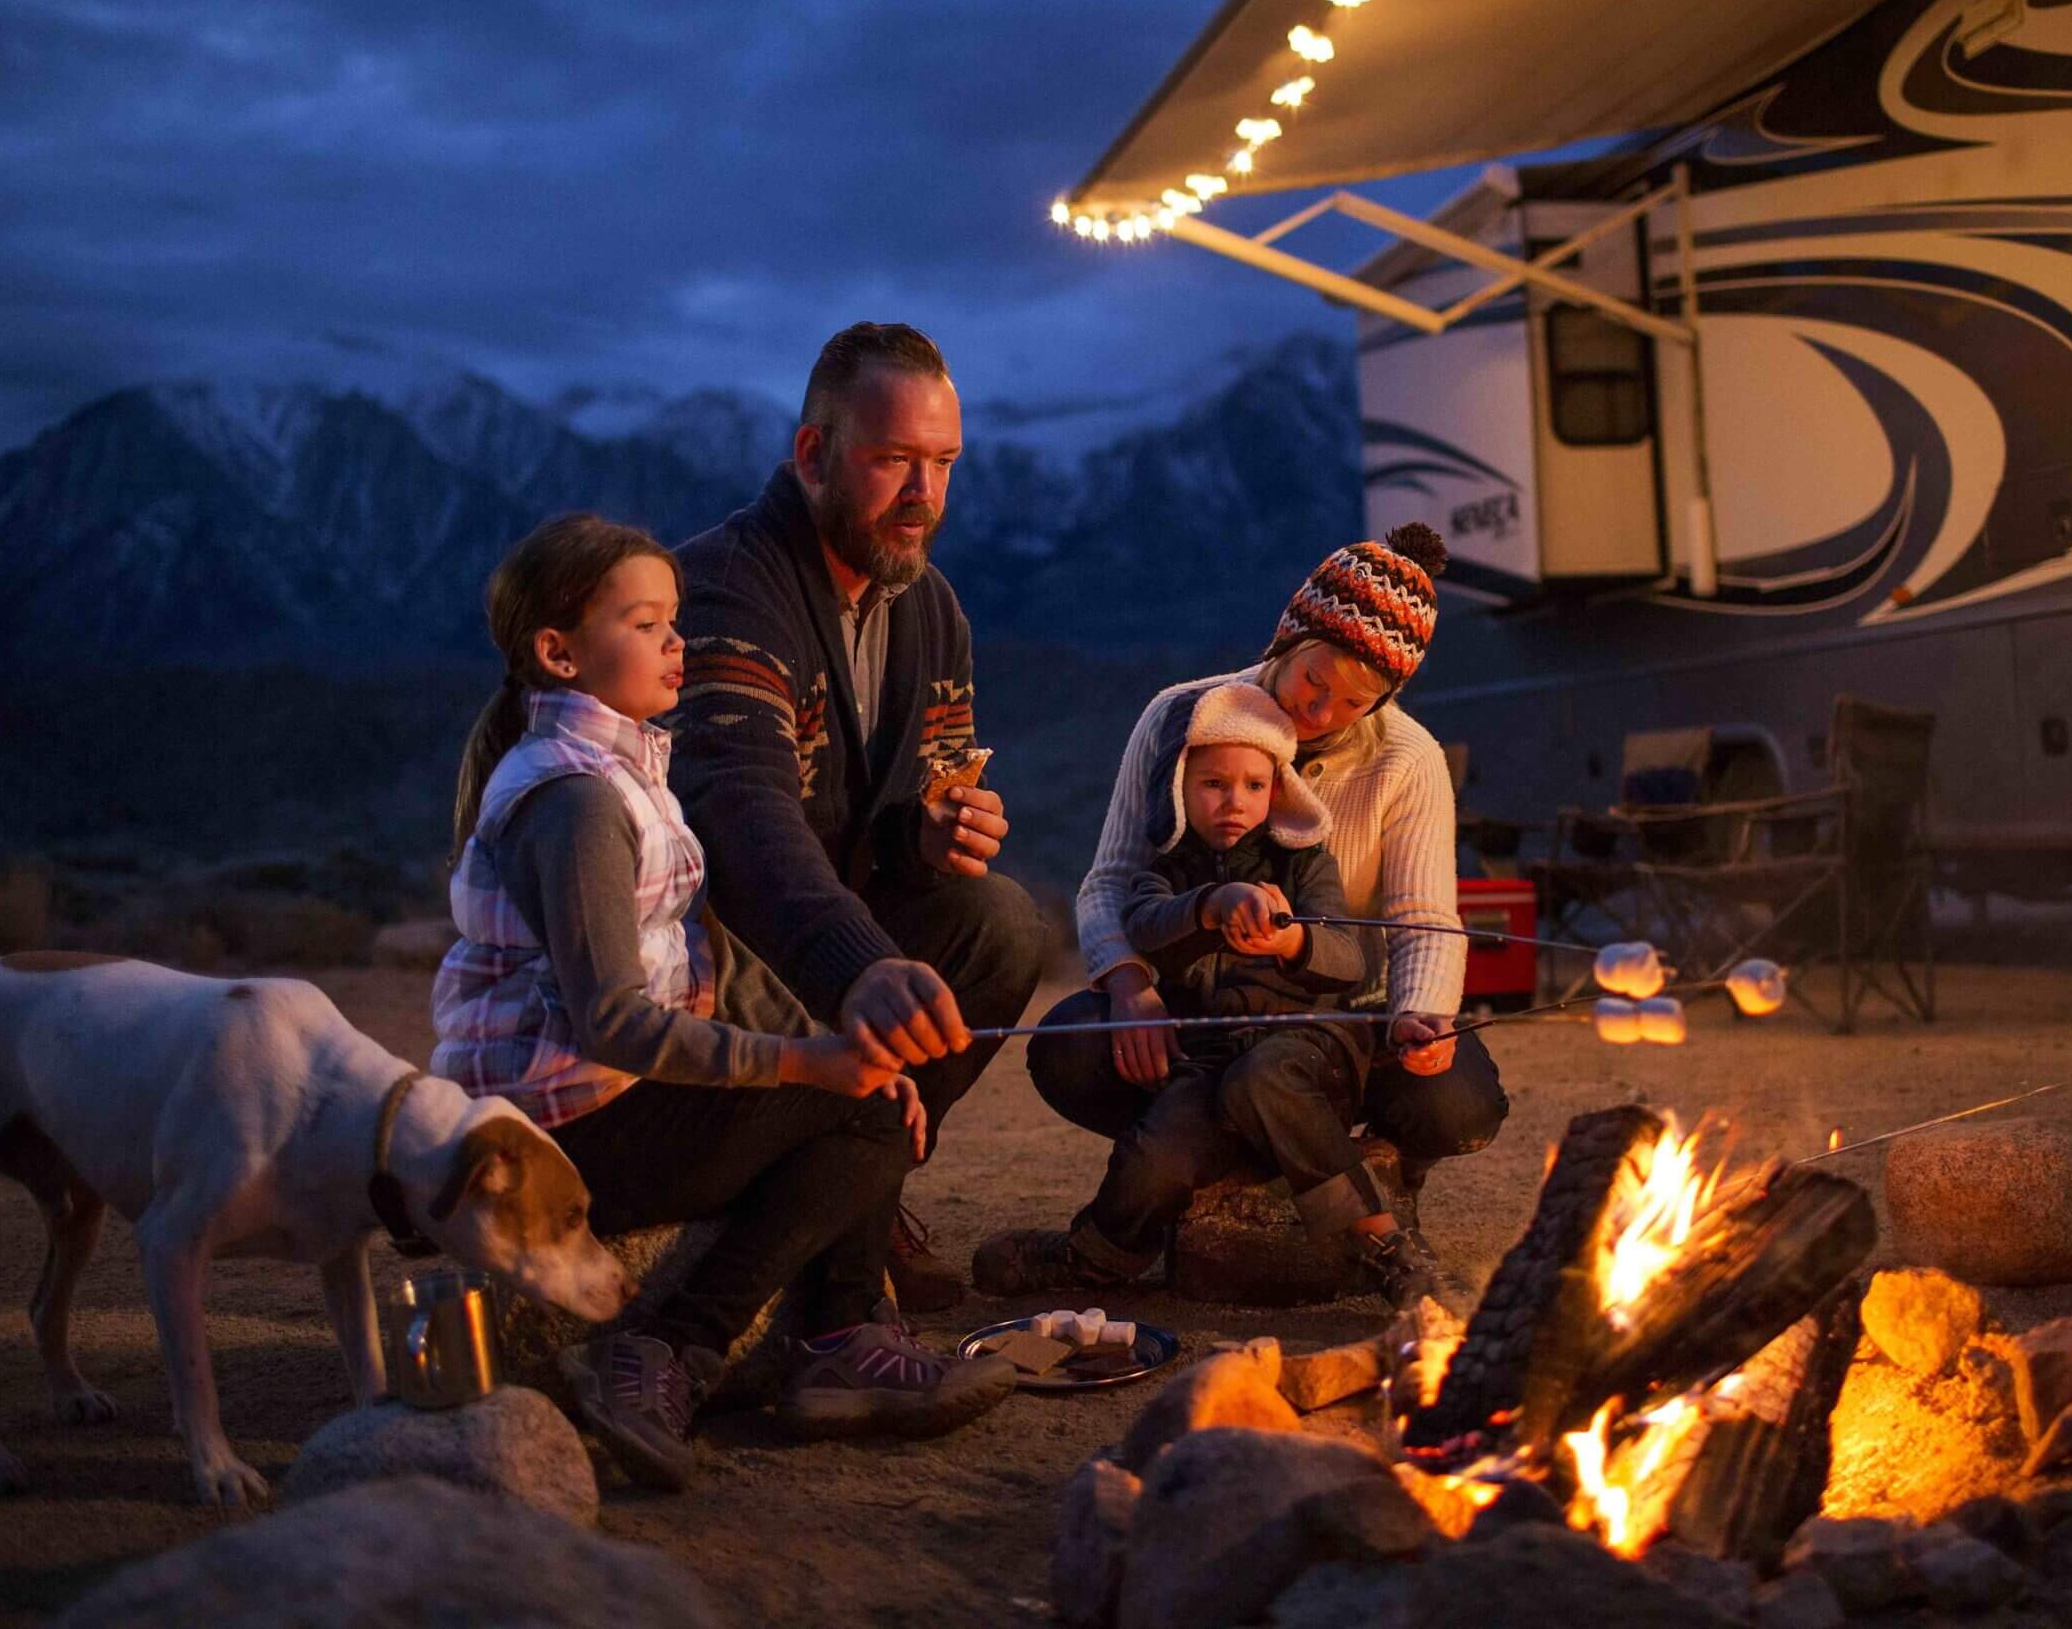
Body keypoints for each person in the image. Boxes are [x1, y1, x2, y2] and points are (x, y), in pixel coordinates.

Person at [432, 513, 1014, 1494]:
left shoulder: (627, 770)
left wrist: (832, 1044)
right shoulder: (572, 801)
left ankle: (827, 1336)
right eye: (647, 624)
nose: (677, 645)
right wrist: (805, 1066)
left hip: (610, 1102)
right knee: (863, 1097)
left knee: (874, 1080)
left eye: (675, 622)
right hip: (553, 1133)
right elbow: (610, 1020)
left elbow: (700, 953)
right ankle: (673, 1347)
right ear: (558, 652)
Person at [667, 322, 1043, 1311]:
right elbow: (738, 807)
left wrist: (928, 839)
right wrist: (861, 961)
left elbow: (908, 802)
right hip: (726, 946)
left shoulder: (932, 610)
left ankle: (859, 1195)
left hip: (833, 930)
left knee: (1001, 922)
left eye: (942, 464)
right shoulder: (723, 586)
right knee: (899, 964)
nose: (924, 495)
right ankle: (816, 1233)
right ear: (812, 455)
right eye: (891, 461)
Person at [1028, 523, 1509, 1222]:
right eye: (1314, 679)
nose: (1320, 711)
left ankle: (1352, 1159)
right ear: (1289, 633)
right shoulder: (1182, 718)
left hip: (1336, 1023)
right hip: (1198, 1015)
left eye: (1353, 700)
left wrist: (1420, 1014)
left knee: (1456, 1099)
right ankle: (1228, 1150)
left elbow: (1423, 920)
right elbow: (1111, 881)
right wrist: (1130, 985)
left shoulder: (1408, 758)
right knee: (1070, 1049)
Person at [974, 683, 1452, 1305]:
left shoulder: (1303, 863)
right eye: (1213, 784)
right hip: (1204, 1051)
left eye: (1254, 786)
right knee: (1159, 1152)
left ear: (1278, 791)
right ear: (1178, 786)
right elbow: (1142, 923)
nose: (1234, 802)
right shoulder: (1166, 866)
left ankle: (1383, 1246)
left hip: (1305, 1045)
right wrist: (1206, 906)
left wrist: (1290, 944)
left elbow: (1347, 959)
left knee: (1265, 1079)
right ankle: (1099, 1255)